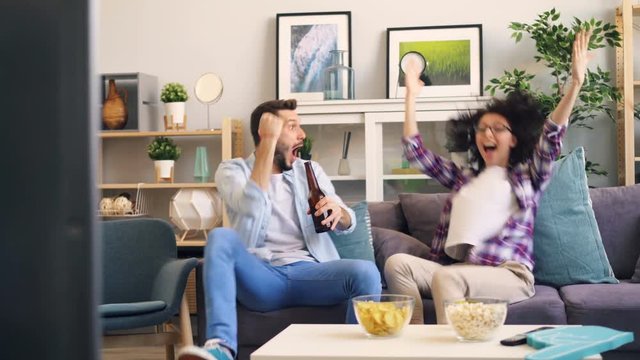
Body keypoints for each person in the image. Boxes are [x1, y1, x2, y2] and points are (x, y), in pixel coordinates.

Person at [384, 29, 593, 325]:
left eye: (497, 128)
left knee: (447, 279)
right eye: (482, 129)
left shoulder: (528, 176)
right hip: (460, 269)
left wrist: (575, 84)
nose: (487, 134)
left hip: (508, 274)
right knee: (398, 265)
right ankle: (416, 343)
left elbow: (552, 134)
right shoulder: (464, 178)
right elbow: (416, 152)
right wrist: (410, 95)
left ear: (514, 138)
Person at [177, 99, 381, 360]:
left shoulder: (309, 170)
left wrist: (339, 214)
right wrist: (267, 144)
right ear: (266, 133)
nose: (302, 135)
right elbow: (250, 205)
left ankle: (356, 355)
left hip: (312, 273)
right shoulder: (231, 170)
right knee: (220, 237)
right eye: (292, 127)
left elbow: (347, 220)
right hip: (262, 278)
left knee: (365, 271)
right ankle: (221, 349)